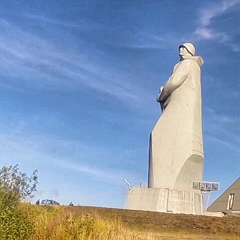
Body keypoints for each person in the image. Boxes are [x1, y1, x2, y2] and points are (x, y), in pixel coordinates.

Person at [148, 43, 204, 190]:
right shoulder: (196, 68)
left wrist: (162, 95)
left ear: (190, 52)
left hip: (179, 108)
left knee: (158, 134)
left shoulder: (186, 64)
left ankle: (160, 185)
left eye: (183, 48)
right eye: (180, 48)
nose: (180, 50)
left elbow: (174, 82)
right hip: (188, 110)